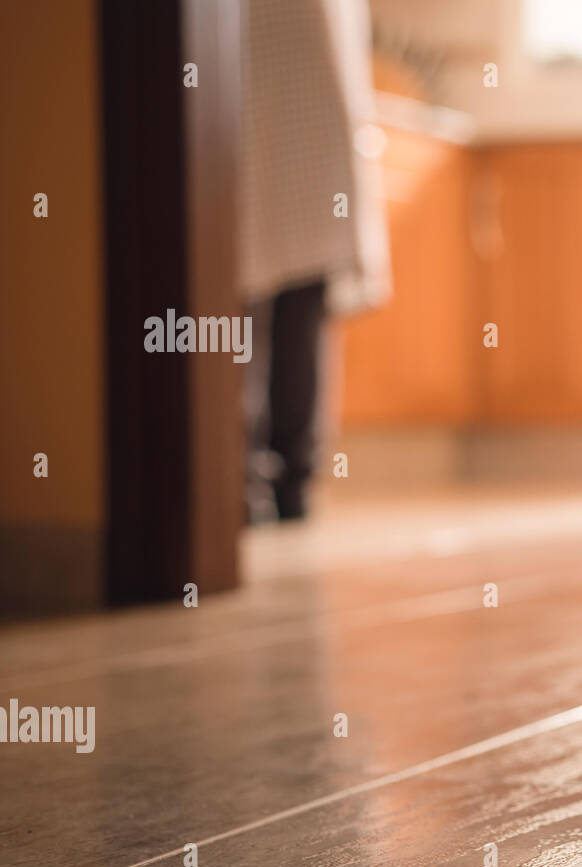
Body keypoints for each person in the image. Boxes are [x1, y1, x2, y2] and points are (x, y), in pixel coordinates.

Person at [240, 0, 390, 521]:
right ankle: (264, 478)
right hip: (259, 98)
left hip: (301, 103)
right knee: (263, 300)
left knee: (278, 300)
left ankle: (271, 479)